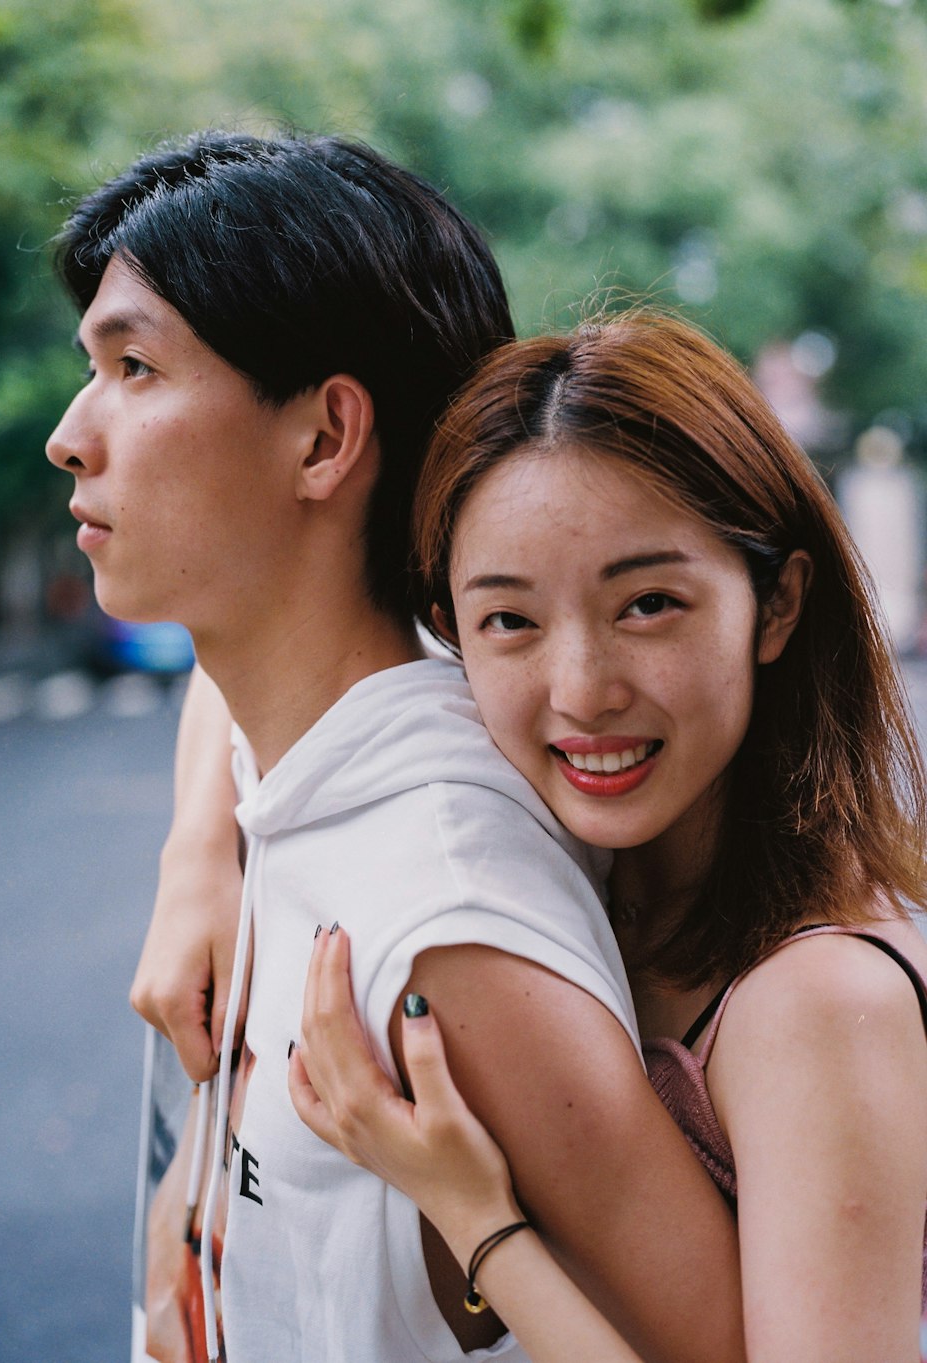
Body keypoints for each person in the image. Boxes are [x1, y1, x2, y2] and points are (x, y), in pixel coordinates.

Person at [46, 134, 745, 1363]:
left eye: (136, 366)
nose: (71, 434)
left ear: (324, 440)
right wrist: (196, 846)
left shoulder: (443, 906)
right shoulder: (294, 744)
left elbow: (720, 1342)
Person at [287, 313, 927, 1361]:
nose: (581, 690)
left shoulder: (820, 1003)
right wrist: (193, 871)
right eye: (510, 621)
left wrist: (476, 1218)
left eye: (648, 605)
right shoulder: (569, 898)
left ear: (776, 606)